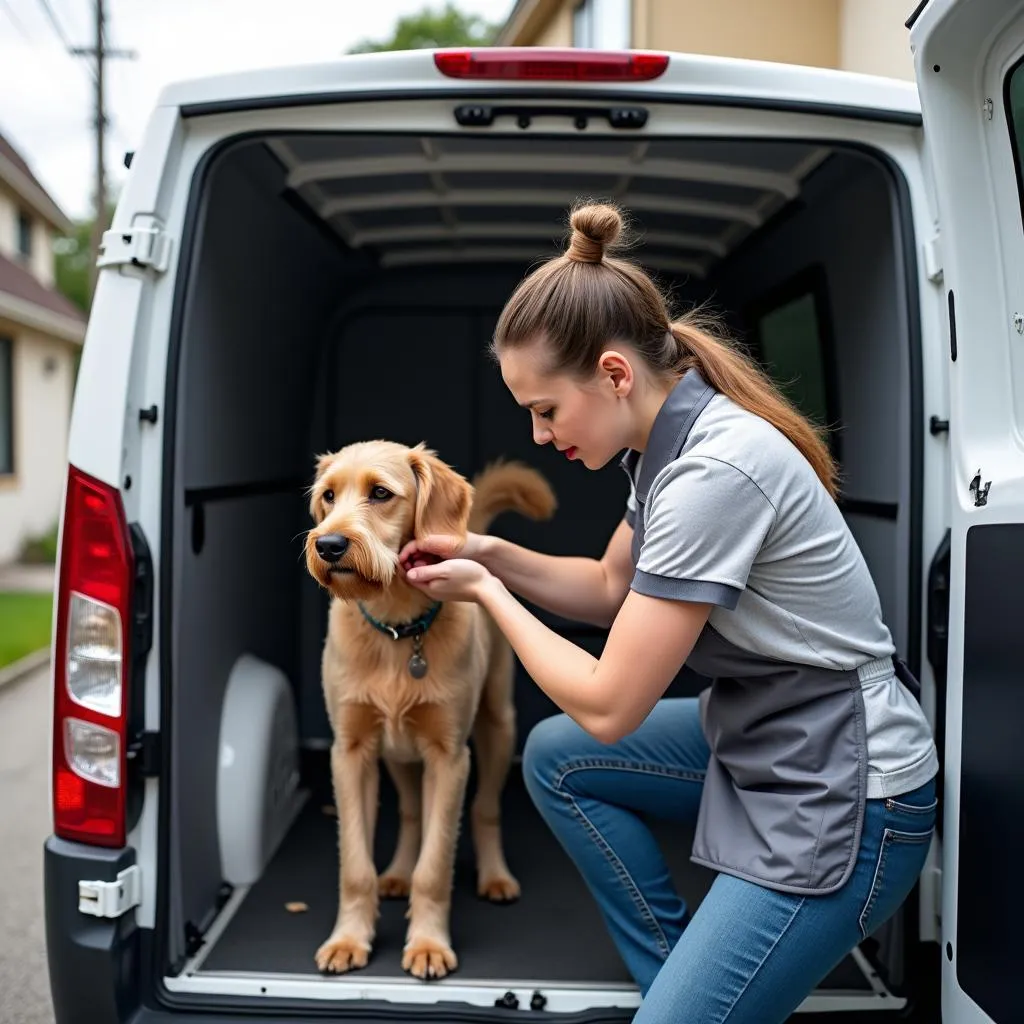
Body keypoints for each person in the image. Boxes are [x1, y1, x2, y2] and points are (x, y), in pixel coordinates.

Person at [400, 201, 938, 1023]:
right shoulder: (663, 447)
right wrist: (489, 552)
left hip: (848, 789)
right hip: (769, 737)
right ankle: (683, 986)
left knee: (585, 734)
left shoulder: (714, 471)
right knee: (556, 757)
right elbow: (611, 588)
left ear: (615, 374)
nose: (539, 436)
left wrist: (489, 595)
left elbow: (614, 705)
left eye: (546, 410)